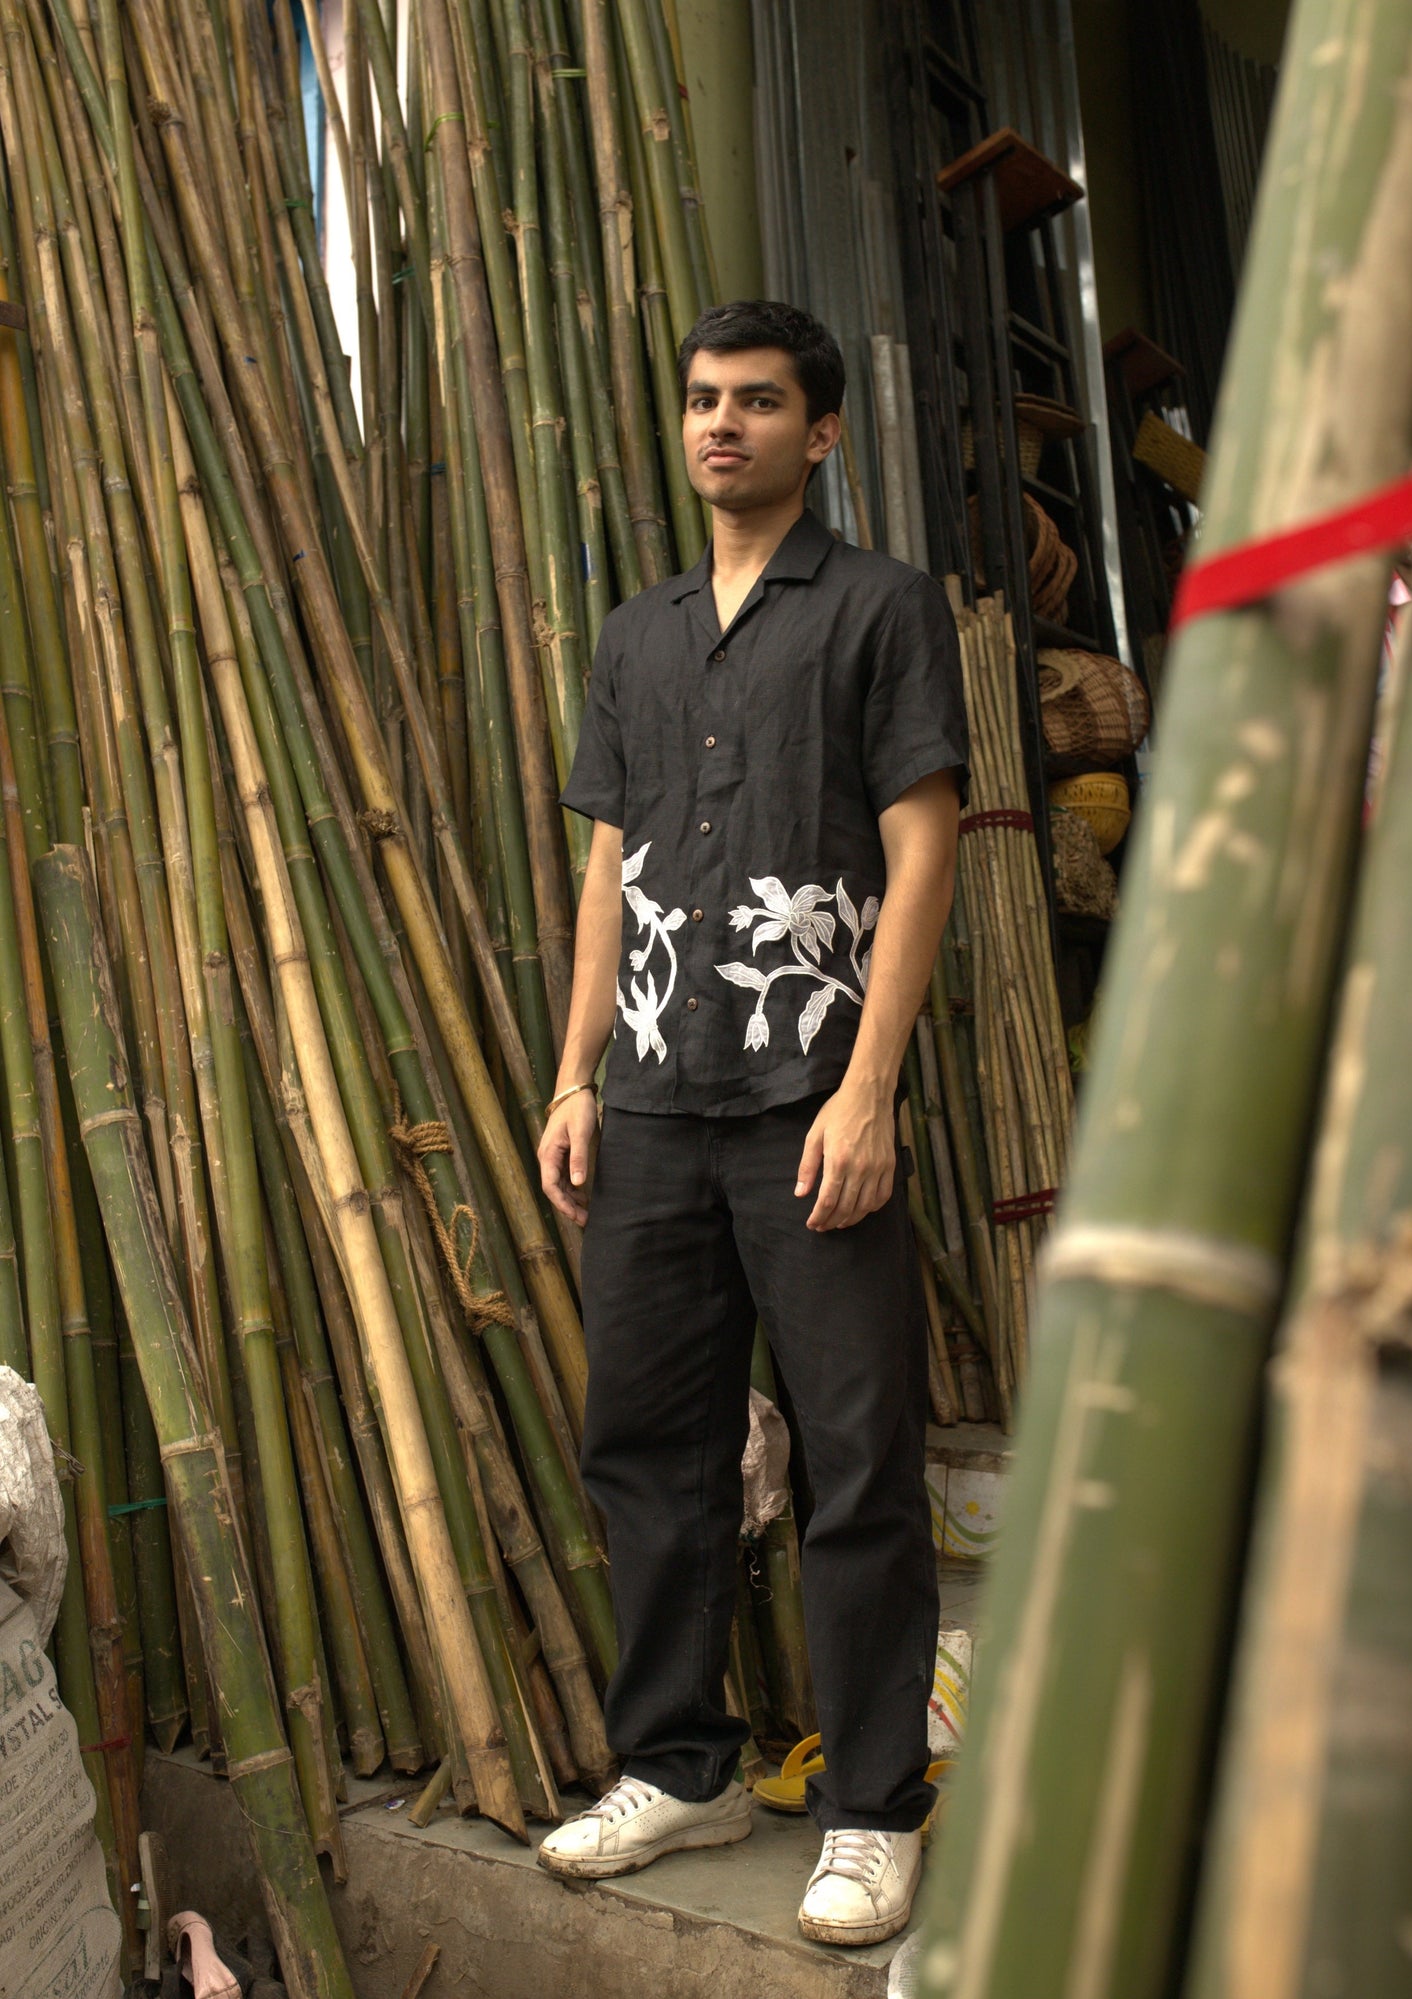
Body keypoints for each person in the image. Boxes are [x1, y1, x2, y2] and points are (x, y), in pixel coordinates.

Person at [534, 299, 968, 1949]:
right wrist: (573, 1078)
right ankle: (680, 1764)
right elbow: (607, 869)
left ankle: (871, 1806)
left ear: (822, 431)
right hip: (647, 1099)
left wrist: (872, 1090)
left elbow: (920, 851)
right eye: (704, 400)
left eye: (760, 402)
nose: (722, 425)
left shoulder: (878, 608)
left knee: (856, 1459)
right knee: (646, 1450)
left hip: (808, 1110)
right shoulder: (636, 635)